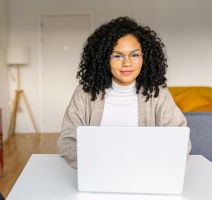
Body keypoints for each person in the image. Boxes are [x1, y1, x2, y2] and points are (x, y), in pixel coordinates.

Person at [57, 16, 191, 168]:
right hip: (98, 173)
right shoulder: (85, 92)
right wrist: (99, 165)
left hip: (146, 174)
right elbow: (67, 141)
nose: (127, 63)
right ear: (103, 59)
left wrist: (147, 165)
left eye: (134, 55)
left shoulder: (157, 93)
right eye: (117, 55)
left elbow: (181, 141)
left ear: (144, 57)